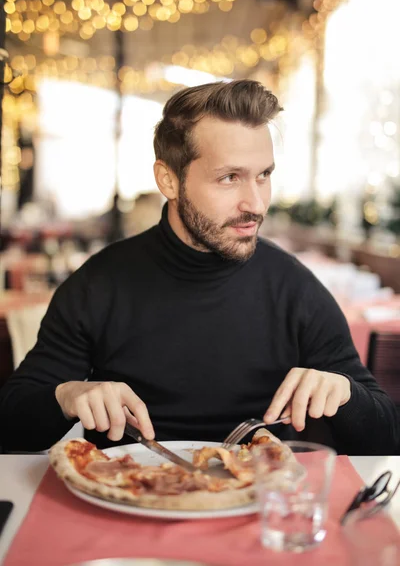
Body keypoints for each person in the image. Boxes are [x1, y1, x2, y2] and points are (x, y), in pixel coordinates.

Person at [0, 80, 398, 455]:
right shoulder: (97, 284)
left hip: (258, 505)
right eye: (229, 178)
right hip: (126, 501)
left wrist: (346, 394)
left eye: (264, 175)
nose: (256, 204)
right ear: (168, 180)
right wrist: (66, 396)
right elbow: (11, 425)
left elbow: (387, 436)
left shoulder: (294, 288)